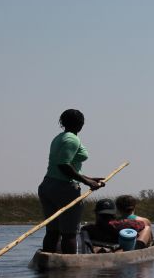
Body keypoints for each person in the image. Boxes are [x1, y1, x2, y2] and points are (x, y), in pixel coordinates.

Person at [38, 108, 105, 254]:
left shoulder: (59, 137)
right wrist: (88, 183)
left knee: (52, 230)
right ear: (81, 124)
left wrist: (89, 179)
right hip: (64, 189)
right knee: (69, 233)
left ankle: (48, 264)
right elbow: (64, 165)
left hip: (48, 185)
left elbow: (66, 166)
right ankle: (68, 269)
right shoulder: (72, 139)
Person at [83, 198, 149, 250]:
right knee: (147, 228)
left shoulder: (88, 228)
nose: (106, 219)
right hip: (113, 249)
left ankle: (137, 248)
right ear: (114, 215)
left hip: (109, 247)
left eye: (108, 216)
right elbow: (142, 224)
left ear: (96, 214)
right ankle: (137, 249)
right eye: (104, 216)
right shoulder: (120, 224)